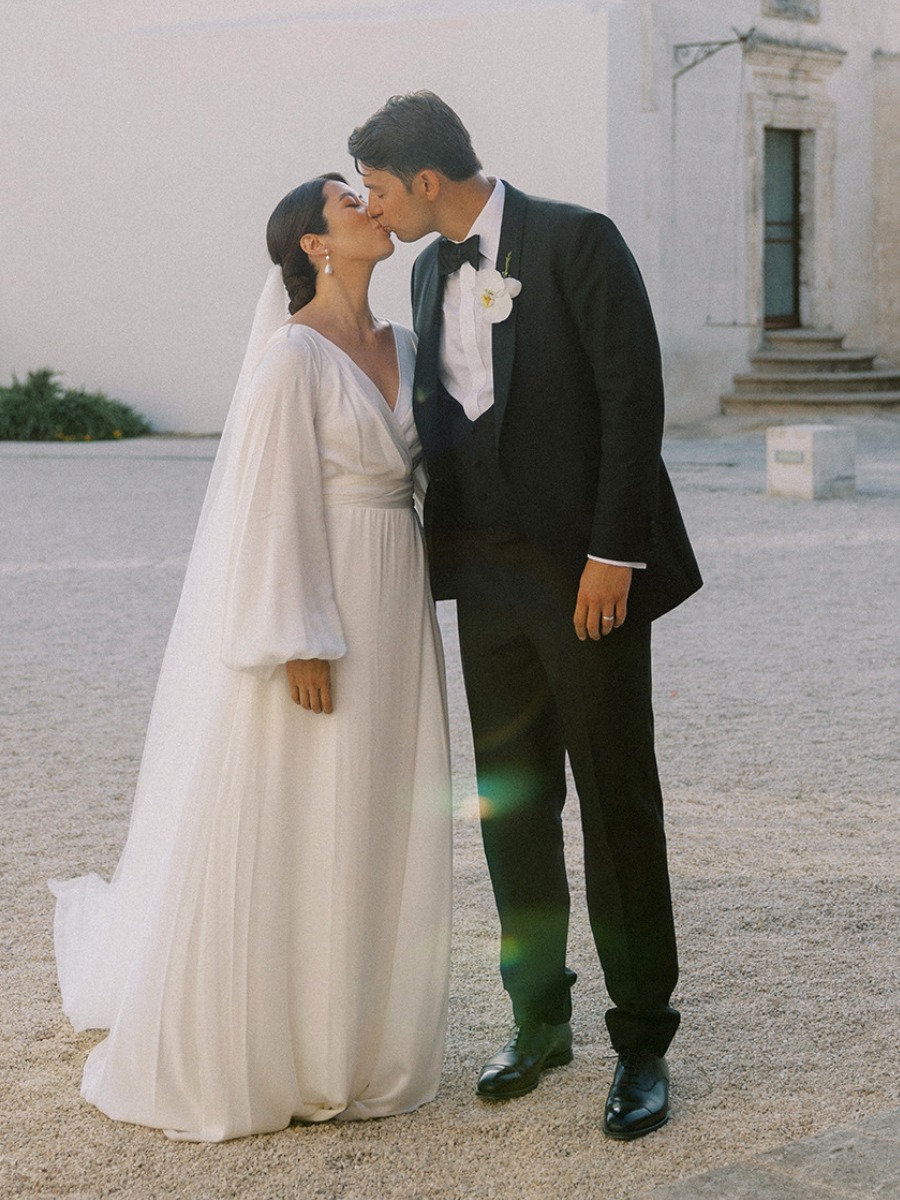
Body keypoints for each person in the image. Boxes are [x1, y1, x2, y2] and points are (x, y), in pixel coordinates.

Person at [49, 174, 452, 1141]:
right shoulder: (291, 359)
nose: (371, 206)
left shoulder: (404, 345)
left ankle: (361, 1032)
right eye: (348, 201)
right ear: (315, 243)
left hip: (397, 599)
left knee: (381, 806)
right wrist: (296, 638)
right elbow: (267, 509)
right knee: (309, 804)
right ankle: (286, 1043)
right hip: (324, 610)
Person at [349, 93, 702, 1140]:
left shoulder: (578, 240)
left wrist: (614, 556)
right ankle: (538, 1020)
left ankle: (642, 1039)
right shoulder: (423, 267)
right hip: (487, 586)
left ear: (424, 179)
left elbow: (633, 399)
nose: (377, 206)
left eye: (378, 187)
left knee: (616, 801)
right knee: (512, 805)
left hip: (588, 578)